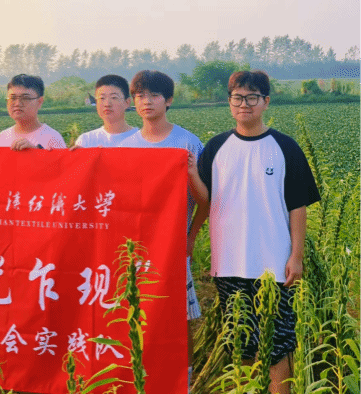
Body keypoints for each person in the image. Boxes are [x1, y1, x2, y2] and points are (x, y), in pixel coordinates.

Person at [195, 70, 320, 394]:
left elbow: (298, 206)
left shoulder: (285, 147)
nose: (244, 104)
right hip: (229, 264)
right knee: (241, 345)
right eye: (237, 97)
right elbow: (205, 199)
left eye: (252, 97)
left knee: (278, 346)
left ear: (266, 101)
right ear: (229, 102)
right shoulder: (216, 147)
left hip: (274, 265)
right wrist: (187, 171)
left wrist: (296, 256)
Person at [119, 70, 208, 387]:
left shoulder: (188, 142)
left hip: (172, 248)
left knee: (179, 315)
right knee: (134, 312)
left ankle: (183, 379)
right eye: (140, 95)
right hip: (133, 248)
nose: (146, 101)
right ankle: (138, 376)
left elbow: (205, 200)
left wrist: (190, 237)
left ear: (168, 100)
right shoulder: (125, 146)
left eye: (154, 95)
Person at [0, 74, 66, 150]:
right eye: (13, 98)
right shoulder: (1, 138)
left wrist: (35, 153)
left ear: (39, 102)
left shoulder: (53, 138)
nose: (17, 103)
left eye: (25, 98)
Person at [73, 74, 138, 147]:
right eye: (102, 98)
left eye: (114, 97)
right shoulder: (86, 141)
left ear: (127, 102)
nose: (107, 104)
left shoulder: (142, 139)